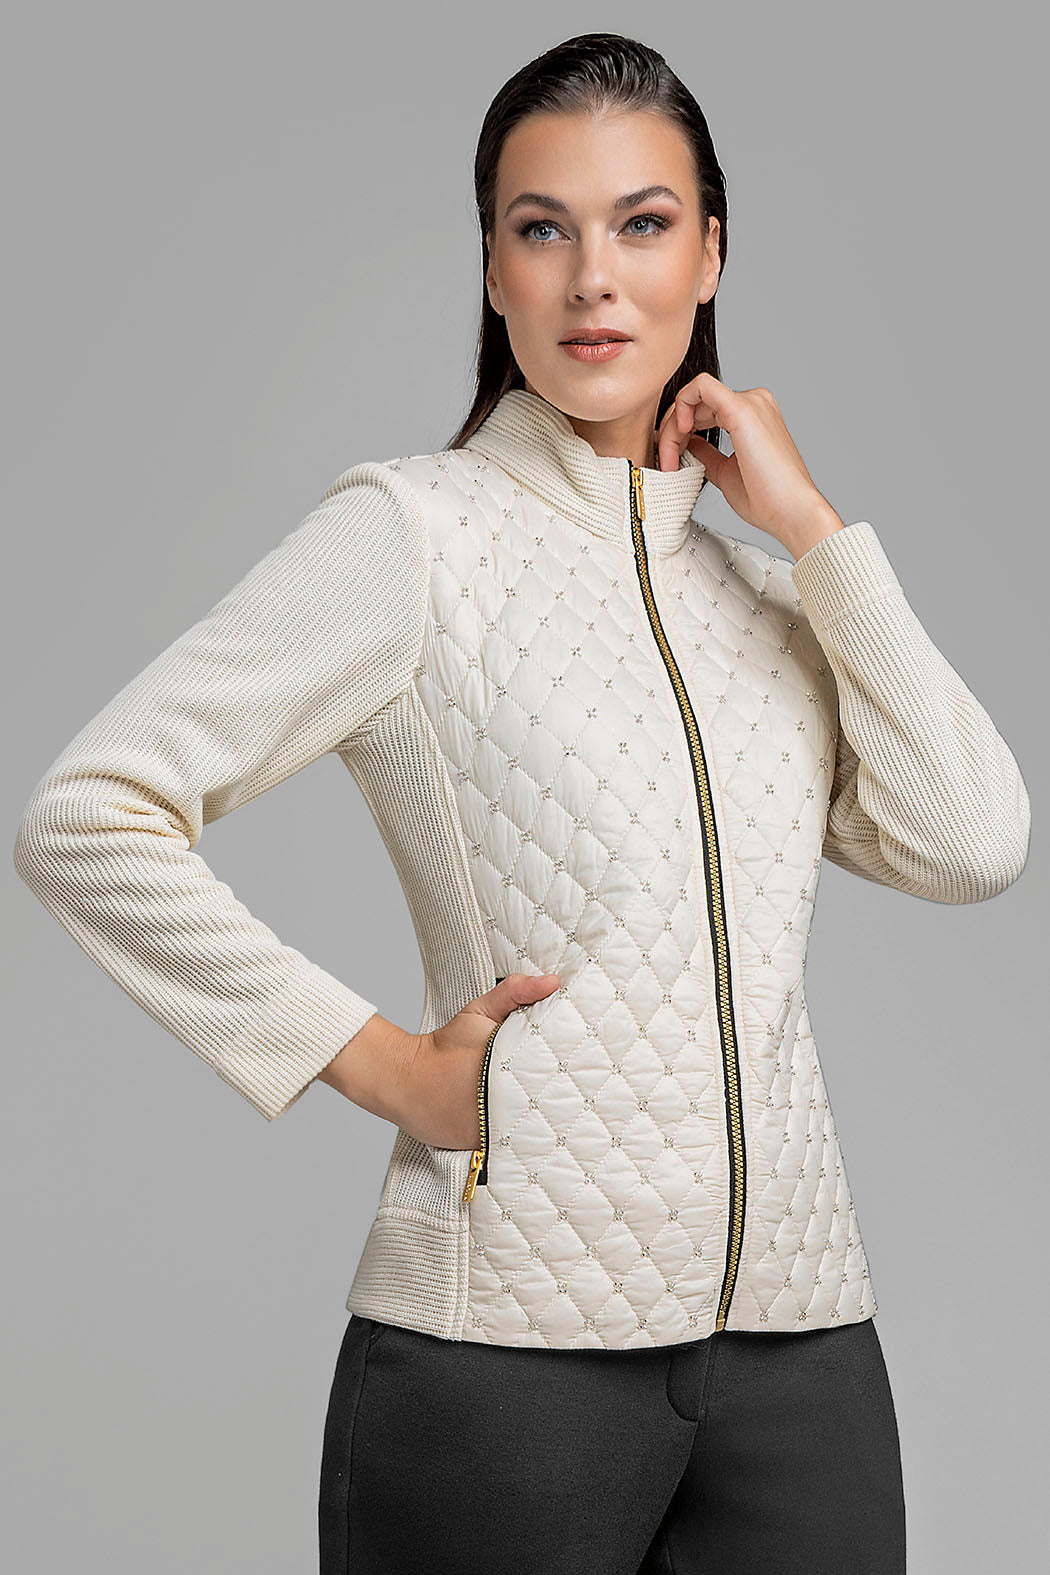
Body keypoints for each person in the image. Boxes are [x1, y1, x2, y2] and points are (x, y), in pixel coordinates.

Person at [13, 29, 1031, 1575]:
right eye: (541, 229)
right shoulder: (412, 540)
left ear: (709, 254)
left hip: (800, 1350)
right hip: (504, 1364)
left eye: (641, 223)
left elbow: (971, 839)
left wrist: (816, 533)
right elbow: (89, 816)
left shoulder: (768, 601)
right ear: (492, 271)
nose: (591, 279)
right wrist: (376, 1064)